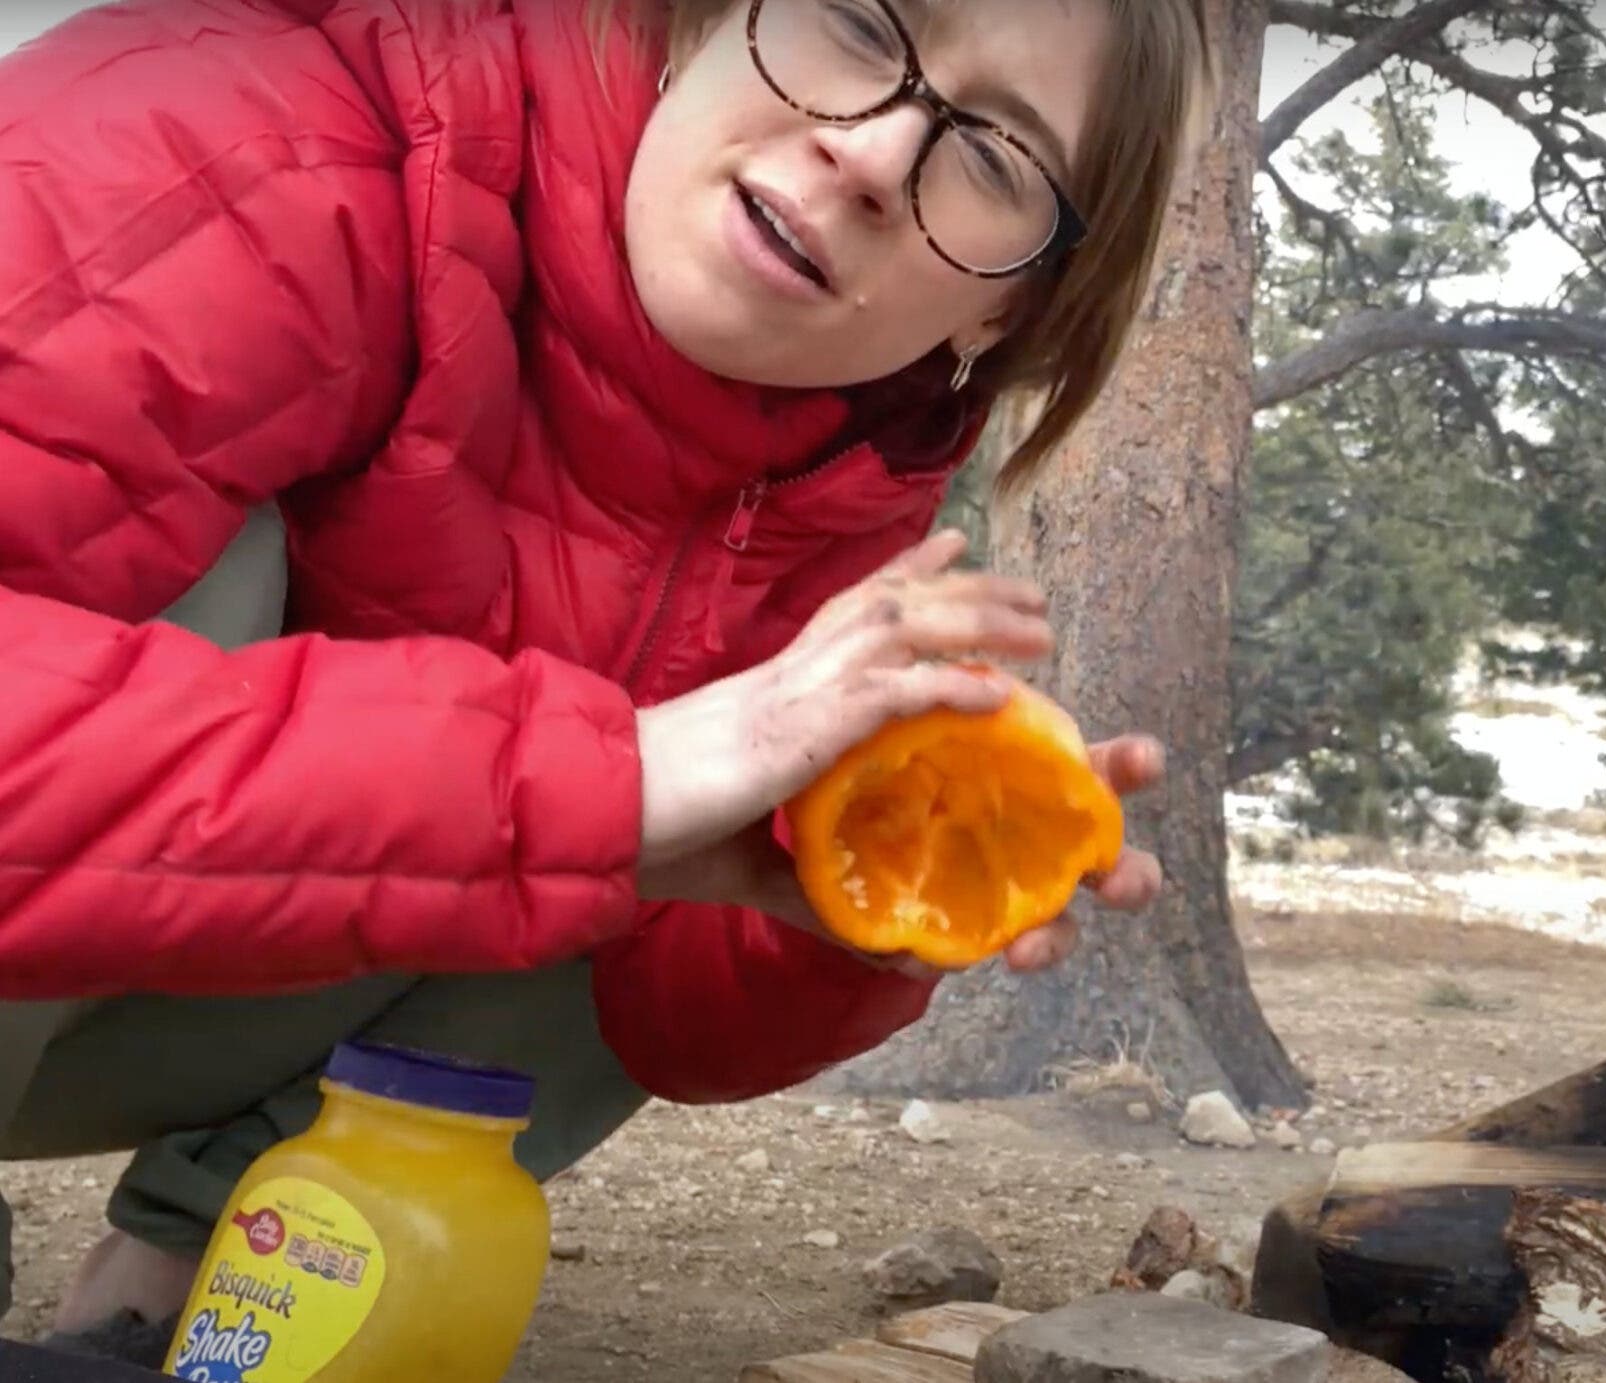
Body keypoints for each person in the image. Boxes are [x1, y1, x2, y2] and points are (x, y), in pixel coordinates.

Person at [0, 0, 1203, 1363]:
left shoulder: (846, 497)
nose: (874, 156)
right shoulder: (234, 145)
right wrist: (619, 775)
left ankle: (184, 1309)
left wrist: (847, 898)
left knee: (656, 822)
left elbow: (658, 1013)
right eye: (862, 25)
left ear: (1012, 306)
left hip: (169, 968)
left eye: (994, 156)